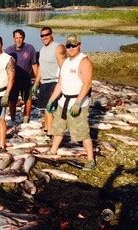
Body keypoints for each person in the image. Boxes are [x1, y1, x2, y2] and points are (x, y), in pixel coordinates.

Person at [46, 34, 96, 170]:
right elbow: (60, 83)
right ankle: (53, 150)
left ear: (79, 45)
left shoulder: (84, 61)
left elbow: (87, 84)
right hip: (63, 102)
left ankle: (91, 159)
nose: (71, 48)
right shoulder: (66, 62)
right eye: (68, 46)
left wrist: (78, 102)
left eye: (74, 45)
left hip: (77, 103)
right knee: (58, 128)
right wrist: (51, 99)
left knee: (82, 132)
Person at [33, 26, 66, 135]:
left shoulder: (58, 47)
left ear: (52, 34)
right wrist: (36, 82)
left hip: (54, 81)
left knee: (50, 108)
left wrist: (61, 84)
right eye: (42, 35)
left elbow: (63, 67)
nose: (45, 37)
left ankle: (51, 133)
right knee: (44, 109)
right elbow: (41, 67)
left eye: (47, 34)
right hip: (44, 82)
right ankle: (47, 129)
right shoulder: (42, 49)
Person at [5, 29, 38, 123]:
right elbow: (5, 67)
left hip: (26, 79)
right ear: (13, 39)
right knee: (12, 100)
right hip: (14, 80)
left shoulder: (30, 48)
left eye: (20, 38)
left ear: (23, 38)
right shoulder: (9, 50)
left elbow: (34, 65)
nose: (18, 40)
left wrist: (37, 81)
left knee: (28, 99)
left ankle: (26, 118)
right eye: (16, 38)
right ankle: (12, 118)